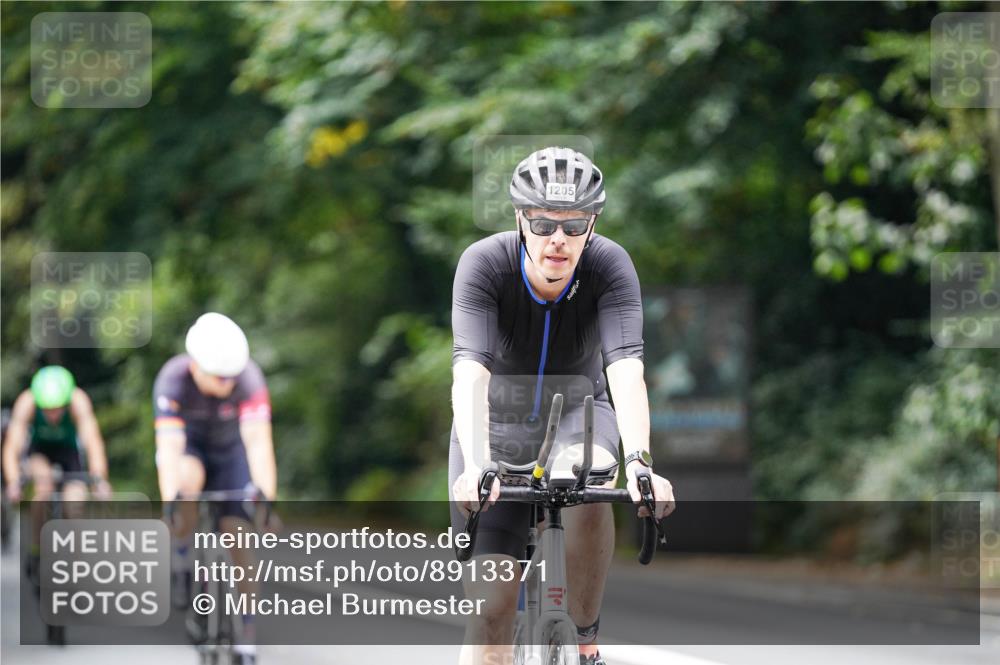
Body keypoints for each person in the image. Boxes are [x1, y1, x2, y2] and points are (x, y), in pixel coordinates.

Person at [449, 147, 676, 665]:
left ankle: (586, 639)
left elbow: (625, 368)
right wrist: (479, 463)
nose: (558, 238)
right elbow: (469, 374)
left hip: (581, 411)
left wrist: (641, 461)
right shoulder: (484, 264)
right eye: (544, 222)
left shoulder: (609, 265)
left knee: (593, 476)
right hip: (496, 423)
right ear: (520, 219)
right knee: (491, 612)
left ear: (591, 225)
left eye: (574, 226)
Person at [153, 312, 275, 665]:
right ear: (195, 366)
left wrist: (265, 496)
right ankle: (181, 550)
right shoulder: (172, 380)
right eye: (219, 377)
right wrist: (171, 504)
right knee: (186, 483)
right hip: (190, 448)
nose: (227, 384)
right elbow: (170, 449)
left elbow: (258, 444)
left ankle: (247, 634)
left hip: (230, 452)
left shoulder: (248, 378)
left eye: (231, 378)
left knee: (239, 535)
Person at [2, 366, 113, 568]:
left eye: (58, 408)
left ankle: (78, 559)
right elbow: (12, 448)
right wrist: (13, 482)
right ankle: (37, 548)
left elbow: (93, 443)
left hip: (69, 452)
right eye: (47, 409)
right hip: (39, 451)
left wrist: (100, 479)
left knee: (75, 501)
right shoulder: (27, 402)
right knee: (43, 488)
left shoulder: (78, 401)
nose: (53, 414)